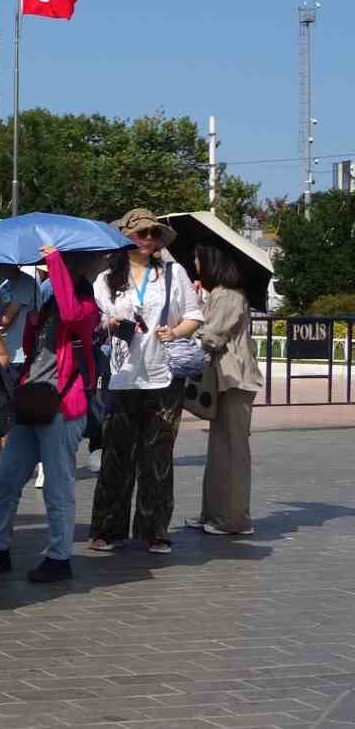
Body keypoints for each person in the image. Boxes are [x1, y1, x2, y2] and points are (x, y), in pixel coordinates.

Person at [0, 245, 102, 584]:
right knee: (6, 480)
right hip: (33, 398)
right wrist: (32, 321)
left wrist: (56, 261)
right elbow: (32, 349)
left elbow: (74, 317)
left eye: (62, 269)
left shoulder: (87, 307)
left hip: (64, 404)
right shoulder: (48, 305)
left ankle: (60, 556)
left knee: (57, 487)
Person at [89, 209, 203, 555]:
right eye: (142, 233)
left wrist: (175, 331)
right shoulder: (106, 279)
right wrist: (108, 324)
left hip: (163, 374)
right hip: (122, 376)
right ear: (126, 237)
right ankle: (108, 529)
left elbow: (194, 315)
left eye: (154, 233)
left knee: (158, 456)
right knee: (116, 456)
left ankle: (155, 529)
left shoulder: (172, 272)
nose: (149, 238)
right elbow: (99, 320)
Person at [183, 243, 261, 537]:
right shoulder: (219, 294)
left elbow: (212, 337)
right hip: (224, 380)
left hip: (235, 380)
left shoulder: (229, 295)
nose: (194, 261)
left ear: (211, 260)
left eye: (197, 257)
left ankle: (234, 519)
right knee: (219, 449)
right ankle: (213, 513)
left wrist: (181, 333)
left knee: (232, 449)